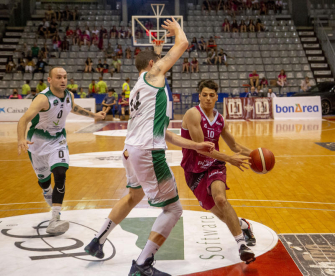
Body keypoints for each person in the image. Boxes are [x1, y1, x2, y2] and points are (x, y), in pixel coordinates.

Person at [84, 17, 215, 276]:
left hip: (131, 150)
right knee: (173, 208)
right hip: (146, 152)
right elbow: (184, 43)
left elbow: (165, 134)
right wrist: (176, 29)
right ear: (153, 65)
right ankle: (142, 264)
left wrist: (196, 144)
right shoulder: (154, 76)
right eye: (159, 62)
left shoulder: (139, 88)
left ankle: (97, 241)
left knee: (134, 196)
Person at [17, 67, 105, 234]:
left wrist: (94, 116)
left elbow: (75, 108)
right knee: (44, 181)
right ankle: (46, 190)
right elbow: (23, 120)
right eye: (58, 77)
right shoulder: (42, 99)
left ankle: (55, 218)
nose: (63, 80)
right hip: (37, 142)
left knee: (60, 173)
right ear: (50, 80)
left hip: (58, 141)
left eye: (65, 77)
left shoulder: (69, 96)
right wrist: (21, 139)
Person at [181, 80, 256, 264]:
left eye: (211, 95)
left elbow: (234, 145)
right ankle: (244, 225)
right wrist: (230, 159)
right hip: (194, 171)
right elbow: (201, 149)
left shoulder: (220, 119)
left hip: (215, 165)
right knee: (222, 215)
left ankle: (241, 246)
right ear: (199, 96)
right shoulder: (193, 114)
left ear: (217, 97)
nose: (208, 98)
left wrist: (257, 154)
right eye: (204, 95)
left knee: (221, 199)